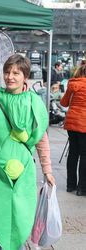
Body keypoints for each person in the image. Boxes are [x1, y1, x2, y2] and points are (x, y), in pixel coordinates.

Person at [0, 54, 55, 250]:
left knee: (20, 221)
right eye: (7, 72)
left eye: (16, 73)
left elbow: (41, 139)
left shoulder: (34, 104)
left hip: (23, 175)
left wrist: (47, 170)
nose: (10, 77)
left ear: (25, 76)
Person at [60, 65, 86, 196]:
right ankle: (82, 188)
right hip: (84, 124)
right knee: (84, 155)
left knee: (73, 154)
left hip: (72, 123)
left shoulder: (73, 84)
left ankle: (70, 185)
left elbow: (64, 103)